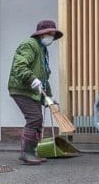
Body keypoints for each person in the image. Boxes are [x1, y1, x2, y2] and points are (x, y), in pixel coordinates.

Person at [7, 19, 62, 165]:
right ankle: (26, 153)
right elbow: (19, 65)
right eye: (49, 33)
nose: (51, 37)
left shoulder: (43, 50)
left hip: (32, 90)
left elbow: (44, 77)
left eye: (52, 34)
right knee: (34, 118)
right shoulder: (29, 45)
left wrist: (49, 98)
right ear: (41, 34)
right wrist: (31, 78)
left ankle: (32, 152)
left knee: (37, 120)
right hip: (21, 88)